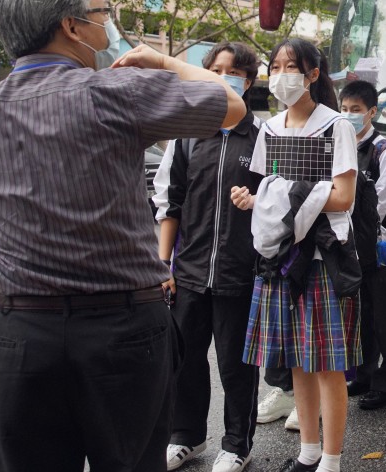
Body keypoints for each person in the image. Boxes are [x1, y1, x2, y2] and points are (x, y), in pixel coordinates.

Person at [0, 0, 245, 471]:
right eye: (103, 12)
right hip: (123, 332)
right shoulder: (116, 92)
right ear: (71, 25)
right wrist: (165, 62)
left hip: (22, 335)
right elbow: (230, 106)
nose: (107, 25)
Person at [231, 38, 361, 472]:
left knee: (327, 364)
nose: (282, 75)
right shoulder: (270, 128)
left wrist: (282, 196)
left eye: (292, 67)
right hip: (283, 255)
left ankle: (332, 460)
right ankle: (308, 453)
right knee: (297, 362)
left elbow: (344, 198)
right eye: (277, 66)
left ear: (313, 75)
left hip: (323, 257)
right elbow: (266, 190)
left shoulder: (335, 125)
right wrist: (254, 200)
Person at [153, 42, 263, 472]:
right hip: (190, 272)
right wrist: (164, 264)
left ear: (248, 82)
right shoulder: (187, 136)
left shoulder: (261, 137)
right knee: (185, 359)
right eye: (214, 70)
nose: (222, 77)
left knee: (236, 366)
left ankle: (237, 443)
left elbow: (277, 201)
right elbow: (170, 202)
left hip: (241, 272)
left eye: (231, 72)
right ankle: (186, 437)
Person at [339, 80, 386, 410]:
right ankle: (364, 374)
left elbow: (382, 204)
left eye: (356, 111)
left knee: (384, 315)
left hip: (378, 246)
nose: (349, 116)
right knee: (361, 315)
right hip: (350, 246)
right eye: (344, 110)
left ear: (372, 112)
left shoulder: (384, 151)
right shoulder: (342, 147)